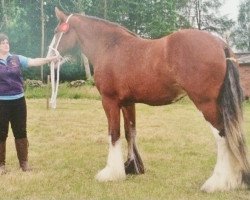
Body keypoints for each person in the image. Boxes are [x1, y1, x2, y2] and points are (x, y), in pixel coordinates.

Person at [0, 33, 59, 174]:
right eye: (3, 42)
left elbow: (34, 61)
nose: (6, 44)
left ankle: (24, 163)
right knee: (1, 133)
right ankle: (1, 165)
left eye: (7, 42)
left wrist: (50, 59)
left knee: (21, 131)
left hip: (19, 101)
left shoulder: (16, 59)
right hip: (1, 103)